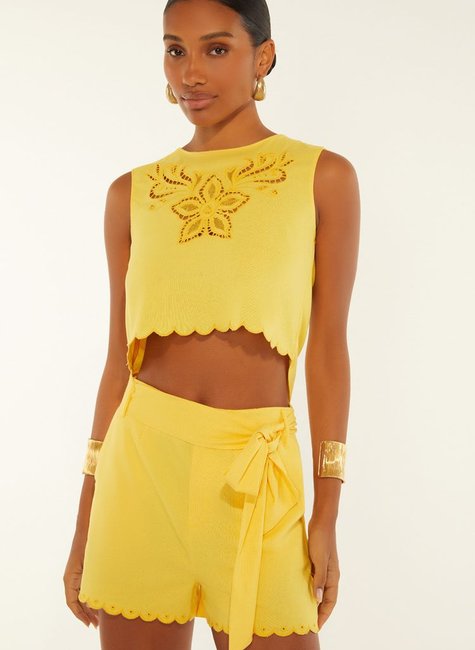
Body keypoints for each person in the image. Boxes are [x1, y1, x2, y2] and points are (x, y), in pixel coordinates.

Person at [63, 0, 360, 649]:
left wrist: (327, 511)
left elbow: (327, 350)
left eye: (216, 49)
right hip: (139, 479)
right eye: (175, 50)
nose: (190, 72)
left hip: (256, 476)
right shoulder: (131, 193)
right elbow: (118, 363)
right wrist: (84, 523)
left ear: (264, 56)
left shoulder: (321, 177)